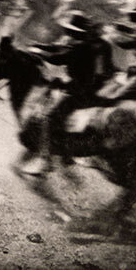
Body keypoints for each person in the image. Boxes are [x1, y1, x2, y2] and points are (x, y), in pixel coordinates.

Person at [31, 12, 115, 173]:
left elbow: (58, 58)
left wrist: (39, 53)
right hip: (83, 87)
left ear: (75, 32)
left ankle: (45, 159)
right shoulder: (85, 44)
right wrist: (39, 45)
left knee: (48, 117)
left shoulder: (79, 47)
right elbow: (58, 48)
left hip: (79, 90)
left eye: (70, 30)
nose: (67, 32)